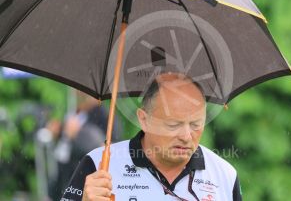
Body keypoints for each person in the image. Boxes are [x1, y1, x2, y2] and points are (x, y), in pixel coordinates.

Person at [60, 72, 242, 201]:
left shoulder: (225, 176)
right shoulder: (97, 165)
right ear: (144, 120)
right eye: (173, 124)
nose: (186, 136)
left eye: (196, 125)